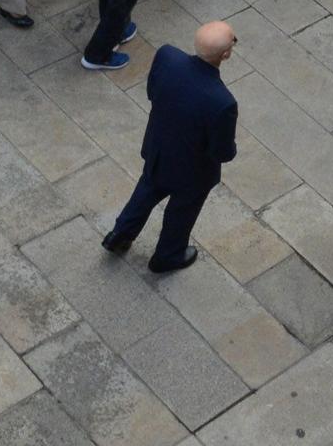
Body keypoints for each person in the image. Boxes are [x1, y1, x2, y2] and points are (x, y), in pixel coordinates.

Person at [102, 20, 237, 268]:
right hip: (193, 171)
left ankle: (119, 234)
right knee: (181, 211)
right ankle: (168, 255)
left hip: (159, 149)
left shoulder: (167, 56)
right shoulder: (222, 102)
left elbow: (153, 93)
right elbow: (222, 152)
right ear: (226, 54)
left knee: (147, 189)